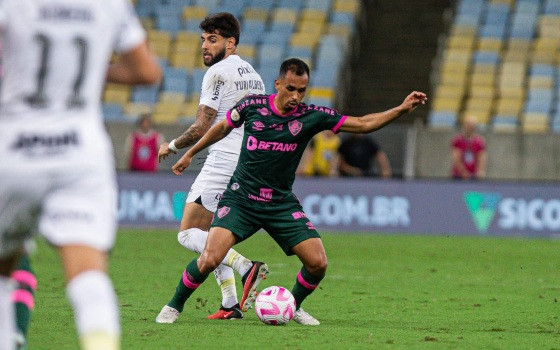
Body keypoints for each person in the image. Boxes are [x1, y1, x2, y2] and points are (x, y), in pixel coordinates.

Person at [170, 58, 427, 325]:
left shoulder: (311, 116)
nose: (295, 96)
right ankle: (173, 307)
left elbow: (362, 123)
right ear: (277, 84)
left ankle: (292, 306)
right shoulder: (252, 106)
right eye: (290, 88)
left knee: (318, 263)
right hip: (241, 198)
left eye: (302, 90)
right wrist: (190, 153)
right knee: (210, 257)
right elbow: (223, 127)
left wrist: (401, 109)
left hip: (280, 203)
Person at [0, 1, 161, 349]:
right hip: (79, 154)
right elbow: (147, 72)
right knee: (88, 274)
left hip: (15, 148)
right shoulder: (110, 5)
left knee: (3, 268)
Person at [155, 12, 270, 323]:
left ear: (230, 43)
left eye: (213, 39)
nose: (205, 46)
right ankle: (231, 302)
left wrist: (175, 147)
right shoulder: (252, 73)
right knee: (210, 234)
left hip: (223, 160)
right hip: (248, 161)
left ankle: (246, 267)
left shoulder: (218, 73)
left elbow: (202, 124)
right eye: (203, 40)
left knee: (188, 233)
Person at [450, 115, 487, 180]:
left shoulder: (479, 141)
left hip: (474, 175)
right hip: (458, 175)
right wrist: (463, 172)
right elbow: (456, 158)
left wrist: (480, 170)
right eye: (468, 125)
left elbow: (482, 157)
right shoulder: (458, 140)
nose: (470, 128)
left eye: (472, 126)